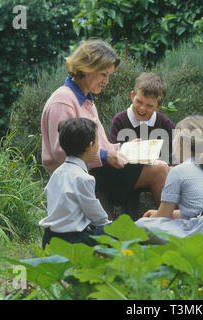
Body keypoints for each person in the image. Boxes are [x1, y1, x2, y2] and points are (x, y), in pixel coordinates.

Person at [40, 39, 169, 219]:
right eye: (103, 74)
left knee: (166, 169)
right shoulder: (63, 101)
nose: (106, 81)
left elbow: (99, 145)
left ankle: (170, 223)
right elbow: (61, 152)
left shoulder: (86, 99)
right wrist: (104, 155)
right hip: (78, 175)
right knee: (160, 170)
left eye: (108, 75)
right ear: (86, 68)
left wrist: (123, 148)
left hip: (93, 169)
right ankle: (174, 225)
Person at [135, 115, 203, 238]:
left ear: (181, 143)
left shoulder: (179, 171)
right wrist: (159, 213)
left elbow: (163, 215)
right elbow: (201, 211)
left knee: (142, 224)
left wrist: (154, 216)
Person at [39, 118, 111, 249]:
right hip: (72, 240)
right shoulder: (83, 178)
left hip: (49, 238)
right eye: (98, 141)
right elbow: (98, 218)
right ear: (90, 146)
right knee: (113, 231)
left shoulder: (57, 173)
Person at [109, 72, 175, 163]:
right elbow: (113, 154)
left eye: (149, 105)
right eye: (139, 102)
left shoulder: (165, 123)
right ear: (132, 96)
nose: (142, 108)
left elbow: (181, 151)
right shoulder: (120, 120)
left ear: (158, 106)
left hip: (157, 172)